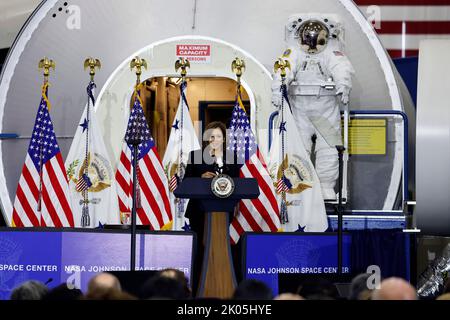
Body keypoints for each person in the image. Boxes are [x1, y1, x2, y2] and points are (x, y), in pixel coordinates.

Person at [272, 14, 354, 200]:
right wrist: (278, 90)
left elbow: (342, 68)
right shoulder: (293, 52)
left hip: (324, 107)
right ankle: (299, 185)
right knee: (299, 147)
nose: (311, 43)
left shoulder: (331, 53)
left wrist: (343, 85)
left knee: (328, 148)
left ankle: (326, 187)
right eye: (307, 38)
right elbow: (283, 70)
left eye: (315, 39)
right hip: (299, 107)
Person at [184, 121, 242, 296]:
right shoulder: (195, 156)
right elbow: (186, 183)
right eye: (212, 136)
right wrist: (201, 177)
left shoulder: (231, 157)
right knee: (201, 250)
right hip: (199, 213)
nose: (215, 140)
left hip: (223, 212)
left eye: (219, 136)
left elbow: (238, 184)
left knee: (221, 249)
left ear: (224, 139)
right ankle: (198, 289)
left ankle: (224, 285)